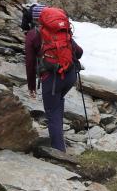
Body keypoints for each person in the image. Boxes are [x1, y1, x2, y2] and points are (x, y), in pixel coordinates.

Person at [24, 10, 83, 152]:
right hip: (70, 76)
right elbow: (79, 52)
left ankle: (59, 151)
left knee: (52, 113)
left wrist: (32, 86)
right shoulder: (61, 31)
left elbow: (30, 63)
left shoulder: (33, 34)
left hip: (51, 80)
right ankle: (59, 133)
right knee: (57, 103)